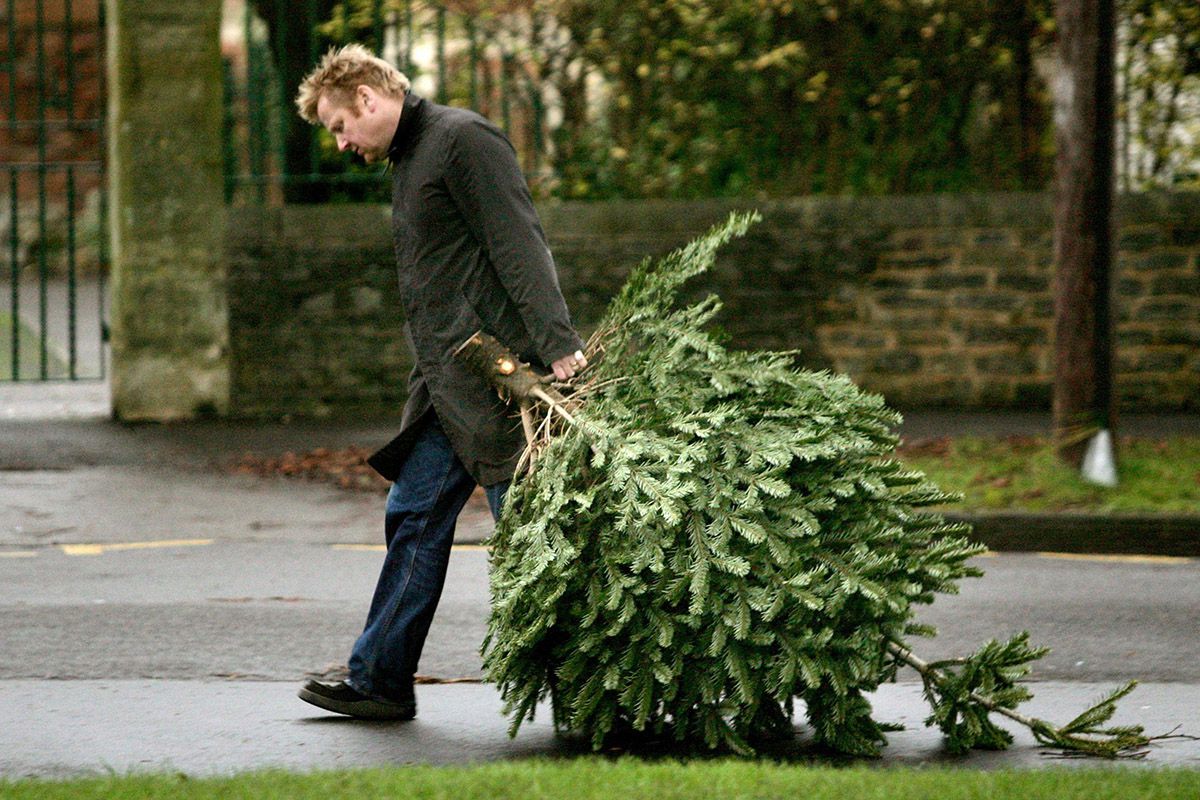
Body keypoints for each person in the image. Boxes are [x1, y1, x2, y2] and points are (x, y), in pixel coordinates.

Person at [292, 44, 586, 720]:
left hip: (502, 386)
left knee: (535, 538)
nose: (340, 143)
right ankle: (380, 679)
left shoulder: (462, 141)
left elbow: (518, 241)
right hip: (448, 388)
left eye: (339, 125)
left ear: (367, 98)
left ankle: (588, 692)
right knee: (415, 516)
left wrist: (557, 342)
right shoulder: (414, 158)